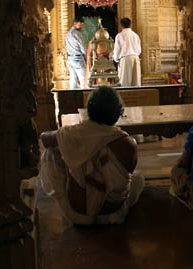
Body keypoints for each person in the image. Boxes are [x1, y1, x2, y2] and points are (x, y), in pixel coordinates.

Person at [38, 85, 145, 225]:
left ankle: (84, 211)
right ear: (118, 113)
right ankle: (103, 215)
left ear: (89, 110)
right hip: (114, 212)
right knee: (138, 179)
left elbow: (44, 138)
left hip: (78, 213)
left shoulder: (72, 134)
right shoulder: (128, 143)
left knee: (51, 152)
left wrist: (68, 145)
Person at [113, 17, 142, 87]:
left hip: (125, 59)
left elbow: (117, 50)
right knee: (136, 82)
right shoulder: (135, 35)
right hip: (135, 58)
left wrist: (116, 59)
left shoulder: (119, 36)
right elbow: (139, 50)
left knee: (124, 82)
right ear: (130, 25)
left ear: (121, 25)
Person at [65, 16, 87, 89]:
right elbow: (83, 48)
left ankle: (72, 98)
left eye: (82, 25)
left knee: (73, 80)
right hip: (78, 58)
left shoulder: (67, 34)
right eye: (80, 24)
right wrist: (86, 57)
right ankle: (84, 98)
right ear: (74, 23)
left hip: (70, 59)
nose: (81, 26)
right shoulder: (77, 34)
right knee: (83, 80)